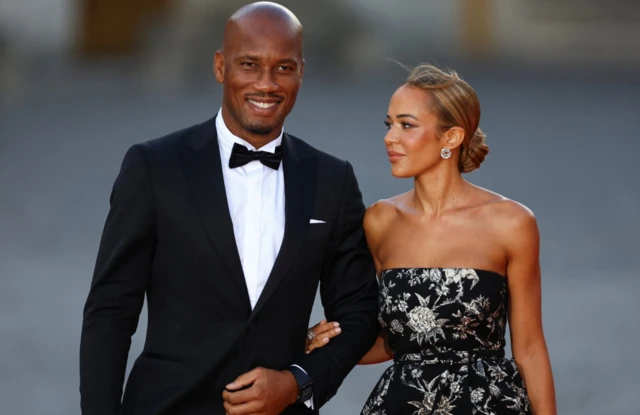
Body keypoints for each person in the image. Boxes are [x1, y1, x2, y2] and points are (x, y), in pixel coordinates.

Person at [79, 2, 379, 415]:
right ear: (221, 67)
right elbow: (110, 309)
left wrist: (297, 382)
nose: (267, 83)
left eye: (284, 68)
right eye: (250, 65)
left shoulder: (332, 179)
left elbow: (359, 313)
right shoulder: (154, 166)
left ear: (301, 72)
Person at [306, 64, 557, 414]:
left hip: (489, 405)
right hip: (401, 404)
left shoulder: (512, 222)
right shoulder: (380, 222)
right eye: (389, 124)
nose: (389, 137)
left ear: (451, 138)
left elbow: (529, 348)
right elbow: (394, 343)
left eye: (406, 125)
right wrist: (320, 341)